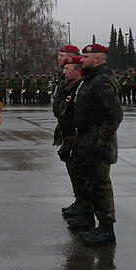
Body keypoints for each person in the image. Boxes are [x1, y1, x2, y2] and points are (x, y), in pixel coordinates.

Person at [71, 43, 123, 246]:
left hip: (97, 139)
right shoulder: (89, 80)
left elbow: (115, 114)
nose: (81, 59)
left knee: (101, 185)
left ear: (98, 58)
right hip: (86, 139)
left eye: (86, 56)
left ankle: (107, 229)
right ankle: (98, 225)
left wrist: (103, 142)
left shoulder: (102, 82)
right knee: (92, 183)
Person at [56, 56, 90, 229]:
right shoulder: (69, 86)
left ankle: (88, 215)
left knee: (84, 178)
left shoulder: (83, 87)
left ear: (78, 70)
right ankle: (80, 204)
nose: (64, 71)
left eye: (67, 68)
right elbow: (61, 109)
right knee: (75, 174)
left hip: (80, 137)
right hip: (69, 135)